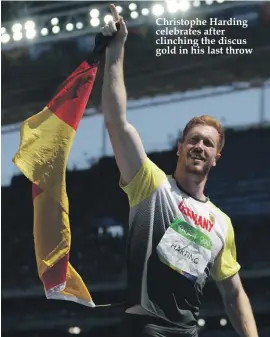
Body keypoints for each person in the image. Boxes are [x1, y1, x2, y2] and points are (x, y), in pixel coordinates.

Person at [101, 4, 258, 337]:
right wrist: (116, 51)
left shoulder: (221, 224)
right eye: (193, 140)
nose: (199, 146)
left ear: (216, 157)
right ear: (180, 147)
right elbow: (116, 122)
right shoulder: (150, 186)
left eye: (207, 143)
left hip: (187, 332)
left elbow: (234, 292)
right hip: (143, 327)